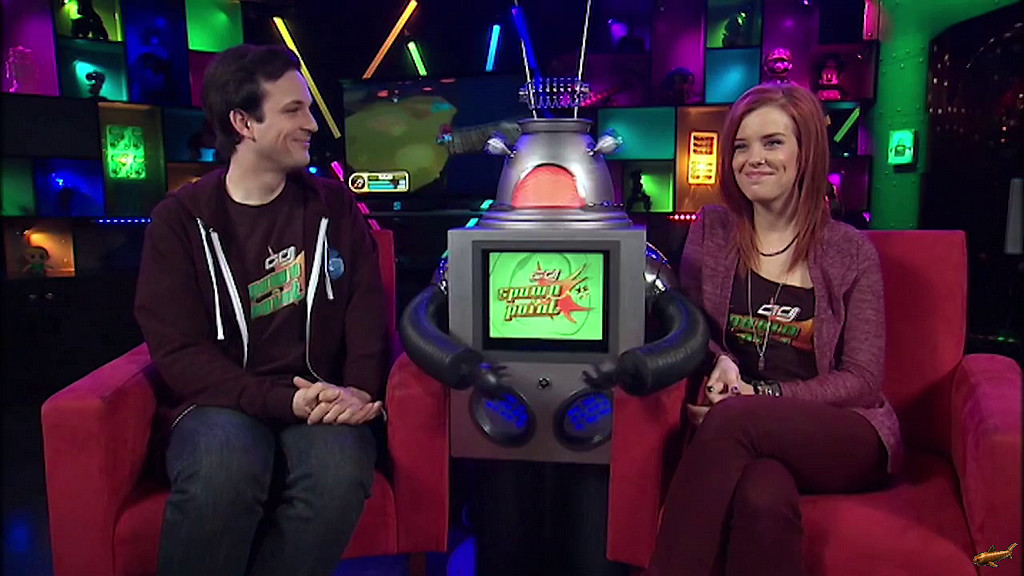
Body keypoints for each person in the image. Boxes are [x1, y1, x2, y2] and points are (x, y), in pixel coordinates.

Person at [134, 44, 386, 576]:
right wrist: (278, 400)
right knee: (224, 466)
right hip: (218, 402)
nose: (312, 124)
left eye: (309, 109)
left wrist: (359, 390)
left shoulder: (334, 206)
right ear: (243, 123)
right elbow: (179, 351)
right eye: (294, 110)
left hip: (321, 397)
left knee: (340, 470)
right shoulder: (179, 221)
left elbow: (367, 309)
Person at [644, 82, 902, 576]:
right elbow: (692, 328)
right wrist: (720, 360)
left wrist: (761, 395)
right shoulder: (713, 230)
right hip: (746, 434)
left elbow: (864, 380)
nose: (753, 159)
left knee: (734, 419)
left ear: (806, 153)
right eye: (741, 145)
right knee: (762, 496)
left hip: (843, 430)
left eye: (773, 142)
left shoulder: (850, 252)